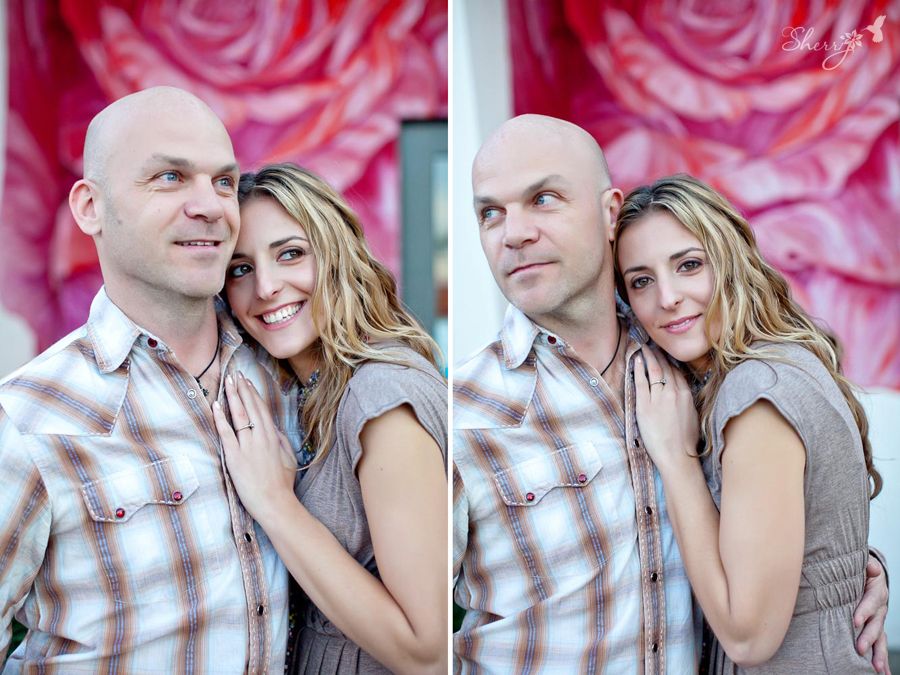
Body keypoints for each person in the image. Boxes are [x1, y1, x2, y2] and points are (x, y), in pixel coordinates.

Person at [452, 114, 891, 673]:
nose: (513, 232)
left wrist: (844, 572)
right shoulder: (462, 410)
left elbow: (784, 514)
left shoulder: (692, 362)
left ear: (607, 214)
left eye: (543, 198)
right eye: (490, 212)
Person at [0, 87, 299, 672]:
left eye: (222, 181)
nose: (211, 206)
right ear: (90, 207)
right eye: (169, 178)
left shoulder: (286, 376)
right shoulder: (28, 420)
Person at [614, 174, 887, 673]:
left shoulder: (756, 390)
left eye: (689, 265)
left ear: (732, 264)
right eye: (641, 280)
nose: (668, 297)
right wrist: (850, 572)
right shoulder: (757, 370)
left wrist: (676, 462)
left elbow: (747, 637)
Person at [210, 163, 448, 675]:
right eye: (240, 269)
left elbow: (426, 652)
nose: (267, 287)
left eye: (290, 254)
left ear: (336, 255)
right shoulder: (304, 390)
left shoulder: (382, 396)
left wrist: (275, 502)